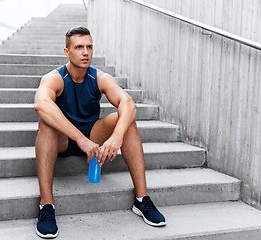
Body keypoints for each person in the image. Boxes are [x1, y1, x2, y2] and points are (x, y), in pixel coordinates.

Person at [34, 26, 165, 239]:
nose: (85, 52)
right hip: (64, 139)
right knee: (46, 122)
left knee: (127, 119)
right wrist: (80, 139)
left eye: (89, 47)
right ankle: (46, 205)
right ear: (67, 52)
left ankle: (142, 200)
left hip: (92, 134)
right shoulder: (55, 78)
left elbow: (128, 103)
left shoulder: (99, 77)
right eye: (78, 47)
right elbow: (40, 104)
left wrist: (116, 136)